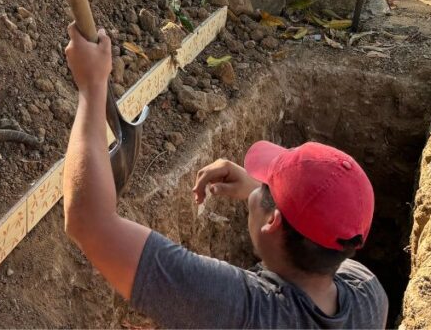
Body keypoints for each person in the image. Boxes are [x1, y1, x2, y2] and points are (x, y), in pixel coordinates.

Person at [62, 25, 388, 329]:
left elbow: (88, 222)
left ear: (273, 221)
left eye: (266, 185)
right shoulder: (369, 297)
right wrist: (262, 194)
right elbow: (325, 233)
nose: (258, 185)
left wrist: (92, 88)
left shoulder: (240, 309)